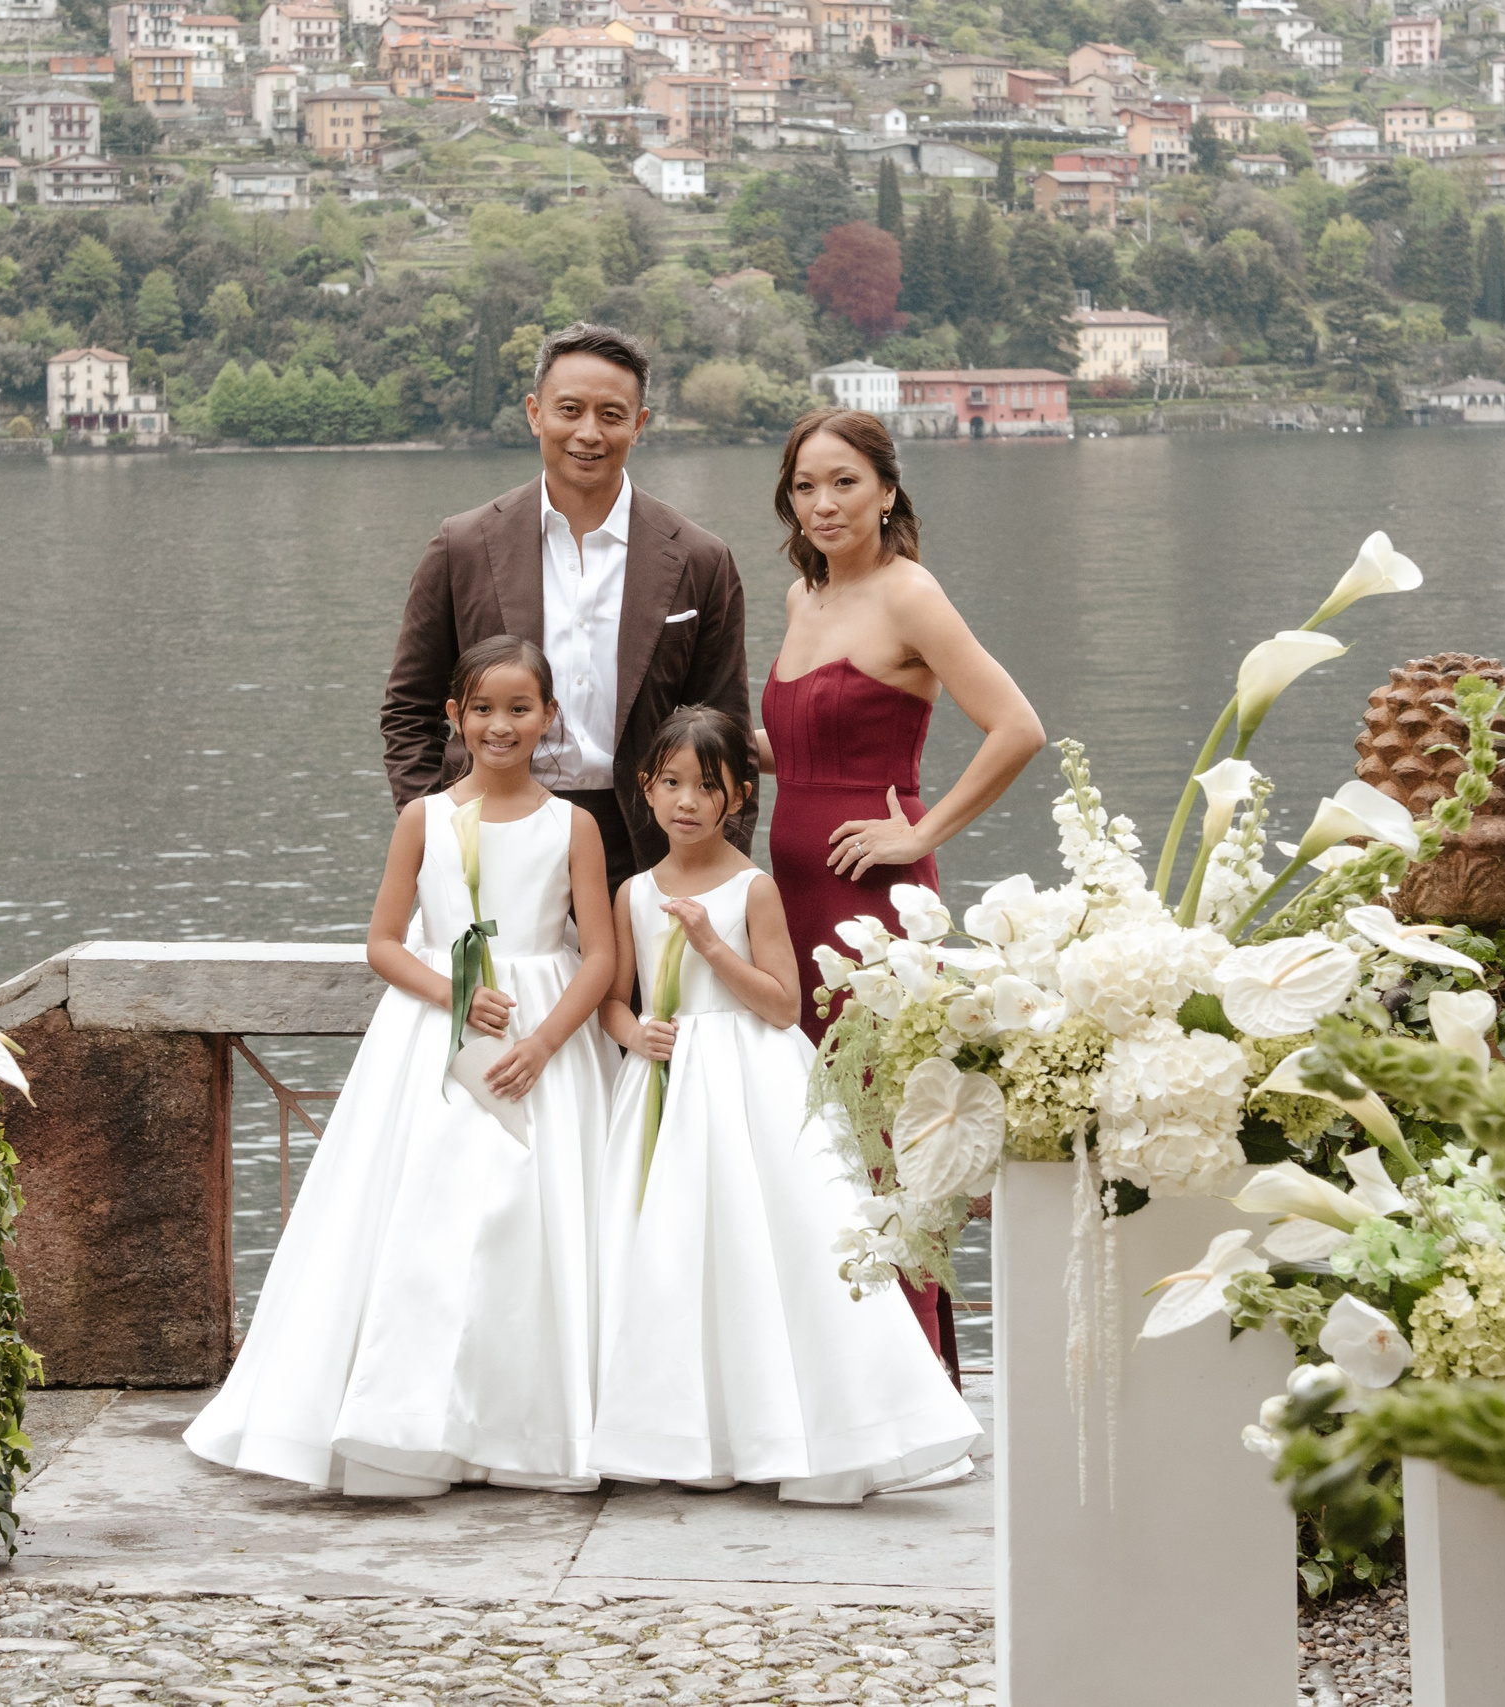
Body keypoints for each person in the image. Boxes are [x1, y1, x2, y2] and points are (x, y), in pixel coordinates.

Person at [186, 636, 618, 1497]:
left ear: (549, 717)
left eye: (520, 708)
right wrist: (455, 995)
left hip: (544, 1042)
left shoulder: (575, 825)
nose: (501, 725)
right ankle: (405, 1420)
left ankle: (526, 1425)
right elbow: (384, 943)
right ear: (454, 717)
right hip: (432, 1039)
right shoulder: (423, 817)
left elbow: (601, 955)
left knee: (535, 1227)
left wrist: (542, 1042)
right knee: (429, 1219)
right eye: (483, 709)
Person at [591, 706, 980, 1503]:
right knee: (669, 1249)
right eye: (671, 784)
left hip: (746, 1078)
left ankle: (798, 1422)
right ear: (646, 789)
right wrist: (637, 1033)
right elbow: (613, 1002)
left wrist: (709, 946)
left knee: (760, 1239)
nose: (687, 802)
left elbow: (779, 1003)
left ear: (738, 796)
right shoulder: (632, 890)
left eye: (707, 786)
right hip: (665, 1084)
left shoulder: (752, 887)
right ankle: (679, 1426)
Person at [757, 409, 1046, 1380]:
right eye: (805, 486)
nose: (824, 503)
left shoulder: (909, 594)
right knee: (819, 1139)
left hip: (868, 908)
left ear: (886, 488)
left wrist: (921, 831)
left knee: (882, 1136)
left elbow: (1016, 727)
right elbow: (801, 746)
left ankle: (913, 1381)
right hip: (787, 902)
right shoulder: (803, 596)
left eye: (843, 482)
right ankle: (839, 1376)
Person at [383, 323, 754, 895]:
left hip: (647, 842)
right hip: (491, 829)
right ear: (535, 413)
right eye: (569, 409)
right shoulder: (462, 546)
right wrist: (433, 830)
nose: (588, 432)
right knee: (498, 988)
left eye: (611, 414)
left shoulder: (700, 559)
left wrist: (717, 871)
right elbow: (409, 711)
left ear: (640, 424)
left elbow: (727, 732)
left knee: (640, 991)